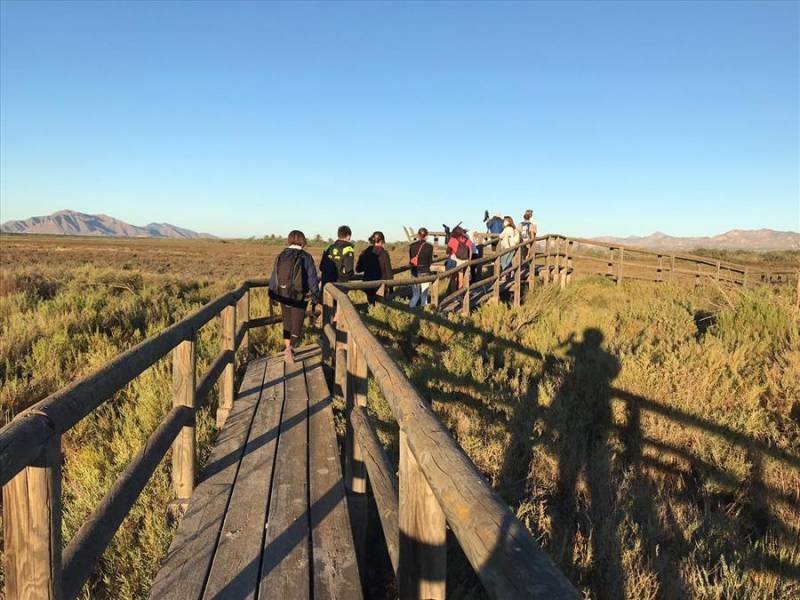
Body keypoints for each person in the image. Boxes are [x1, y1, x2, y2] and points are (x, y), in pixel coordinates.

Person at [268, 230, 319, 364]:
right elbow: (312, 277)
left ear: (289, 240)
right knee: (297, 325)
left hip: (283, 294)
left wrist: (272, 293)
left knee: (287, 323)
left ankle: (287, 347)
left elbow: (274, 276)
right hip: (299, 296)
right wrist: (315, 294)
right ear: (303, 240)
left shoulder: (281, 255)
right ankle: (290, 349)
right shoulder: (306, 257)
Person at [356, 231, 393, 305]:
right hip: (380, 285)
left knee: (371, 305)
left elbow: (358, 269)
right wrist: (391, 287)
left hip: (367, 284)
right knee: (380, 306)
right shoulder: (384, 253)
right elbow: (388, 272)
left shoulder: (365, 252)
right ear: (382, 241)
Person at [409, 227, 434, 308]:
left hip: (414, 271)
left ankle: (411, 309)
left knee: (415, 295)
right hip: (425, 271)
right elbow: (430, 261)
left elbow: (411, 259)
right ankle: (424, 312)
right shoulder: (429, 246)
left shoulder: (412, 246)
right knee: (424, 295)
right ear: (426, 236)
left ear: (418, 235)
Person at [446, 225, 474, 292]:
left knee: (453, 279)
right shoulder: (466, 239)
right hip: (465, 260)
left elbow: (448, 252)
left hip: (456, 261)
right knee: (461, 279)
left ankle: (454, 296)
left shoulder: (452, 239)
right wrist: (469, 260)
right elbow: (470, 250)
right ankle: (461, 294)